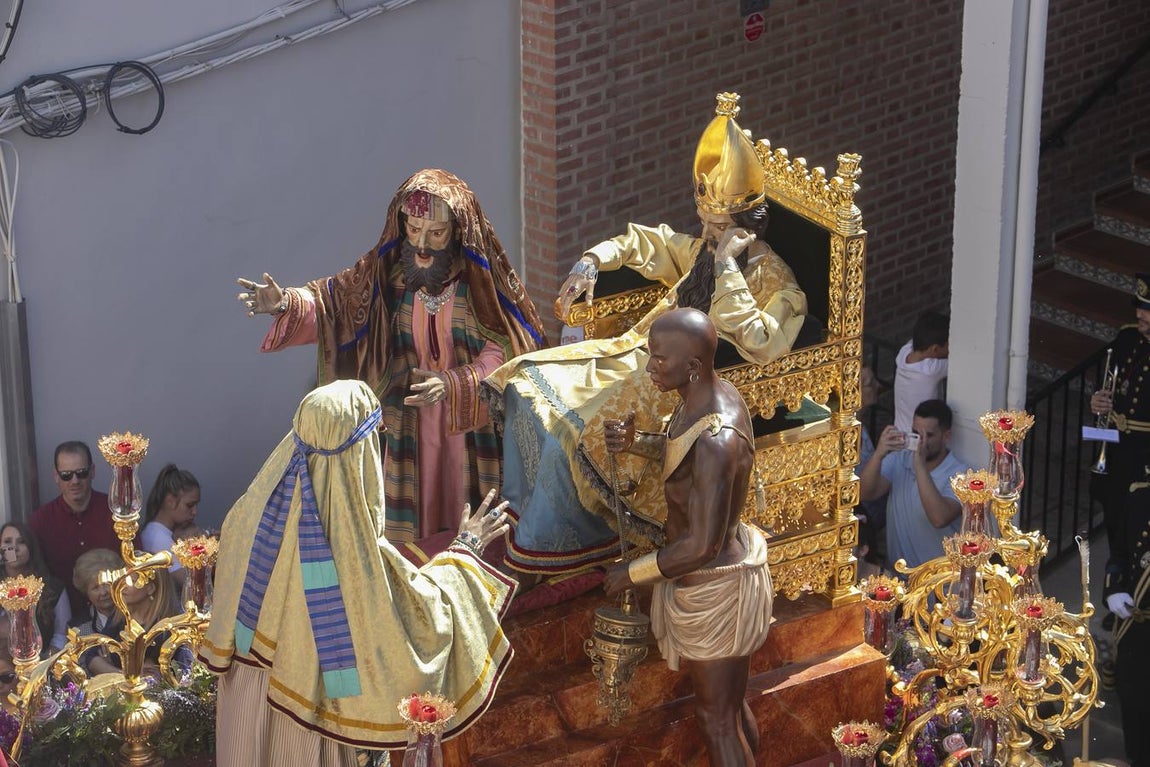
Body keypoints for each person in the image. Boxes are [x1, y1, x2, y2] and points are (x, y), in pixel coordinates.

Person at [485, 93, 806, 580]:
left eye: (719, 228)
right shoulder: (701, 249)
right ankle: (521, 513)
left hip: (682, 392)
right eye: (705, 224)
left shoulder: (778, 286)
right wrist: (593, 259)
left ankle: (554, 547)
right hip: (640, 356)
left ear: (745, 230)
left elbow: (762, 342)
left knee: (569, 436)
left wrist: (725, 268)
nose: (707, 233)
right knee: (527, 381)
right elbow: (646, 242)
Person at [198, 380, 517, 765]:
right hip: (311, 717)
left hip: (245, 706)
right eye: (377, 437)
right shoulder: (351, 553)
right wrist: (465, 551)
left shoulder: (245, 517)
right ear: (359, 451)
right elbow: (419, 625)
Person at [236, 169, 547, 542]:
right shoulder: (388, 276)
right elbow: (336, 305)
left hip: (469, 428)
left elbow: (510, 349)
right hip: (406, 426)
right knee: (408, 535)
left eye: (435, 233)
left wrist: (453, 382)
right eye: (414, 229)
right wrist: (285, 301)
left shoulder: (479, 283)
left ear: (458, 231)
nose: (422, 244)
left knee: (471, 516)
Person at [602, 309, 771, 767]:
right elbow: (685, 455)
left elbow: (702, 546)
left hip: (714, 588)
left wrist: (631, 573)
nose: (650, 367)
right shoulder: (707, 397)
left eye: (659, 360)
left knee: (716, 720)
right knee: (730, 709)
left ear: (692, 366)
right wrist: (639, 442)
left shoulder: (719, 438)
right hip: (715, 580)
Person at [1091, 273, 1150, 608]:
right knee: (1114, 521)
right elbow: (1111, 387)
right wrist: (1097, 403)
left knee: (1137, 531)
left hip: (1145, 455)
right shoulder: (1127, 339)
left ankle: (1135, 596)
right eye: (1139, 307)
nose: (1140, 314)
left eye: (1147, 310)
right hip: (1115, 449)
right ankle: (1115, 594)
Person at [858, 399, 964, 572]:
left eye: (928, 435)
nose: (921, 441)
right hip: (898, 581)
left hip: (938, 586)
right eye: (916, 433)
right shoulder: (900, 459)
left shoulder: (960, 474)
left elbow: (939, 518)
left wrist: (919, 466)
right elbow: (863, 493)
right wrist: (878, 454)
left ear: (946, 437)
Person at [28, 441, 122, 614]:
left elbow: (135, 563)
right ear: (56, 476)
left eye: (81, 473)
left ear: (92, 471)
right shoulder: (40, 521)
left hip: (117, 617)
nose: (75, 481)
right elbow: (32, 574)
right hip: (62, 622)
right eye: (66, 475)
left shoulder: (117, 513)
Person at [1103, 462, 1150, 767]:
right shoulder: (1138, 496)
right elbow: (1119, 554)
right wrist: (1114, 589)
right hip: (1136, 627)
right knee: (1134, 705)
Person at [85, 568, 179, 678]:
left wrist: (109, 667)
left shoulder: (165, 628)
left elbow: (150, 676)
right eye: (123, 579)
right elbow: (92, 658)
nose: (123, 585)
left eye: (131, 581)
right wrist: (124, 676)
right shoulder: (119, 617)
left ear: (150, 588)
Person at [1, 522, 72, 656]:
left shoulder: (53, 587)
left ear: (31, 548)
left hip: (42, 663)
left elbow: (61, 634)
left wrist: (43, 665)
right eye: (7, 542)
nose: (14, 548)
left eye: (21, 542)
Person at [141, 464, 201, 590]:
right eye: (190, 505)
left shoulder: (160, 533)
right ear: (170, 501)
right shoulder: (158, 538)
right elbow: (193, 585)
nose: (195, 512)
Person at [893, 312, 949, 433]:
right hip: (919, 439)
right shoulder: (931, 370)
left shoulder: (904, 353)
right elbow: (962, 362)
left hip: (899, 432)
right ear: (935, 349)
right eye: (949, 346)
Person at [69, 548, 123, 637]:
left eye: (107, 584)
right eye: (95, 588)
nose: (103, 592)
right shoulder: (78, 629)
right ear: (86, 592)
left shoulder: (134, 616)